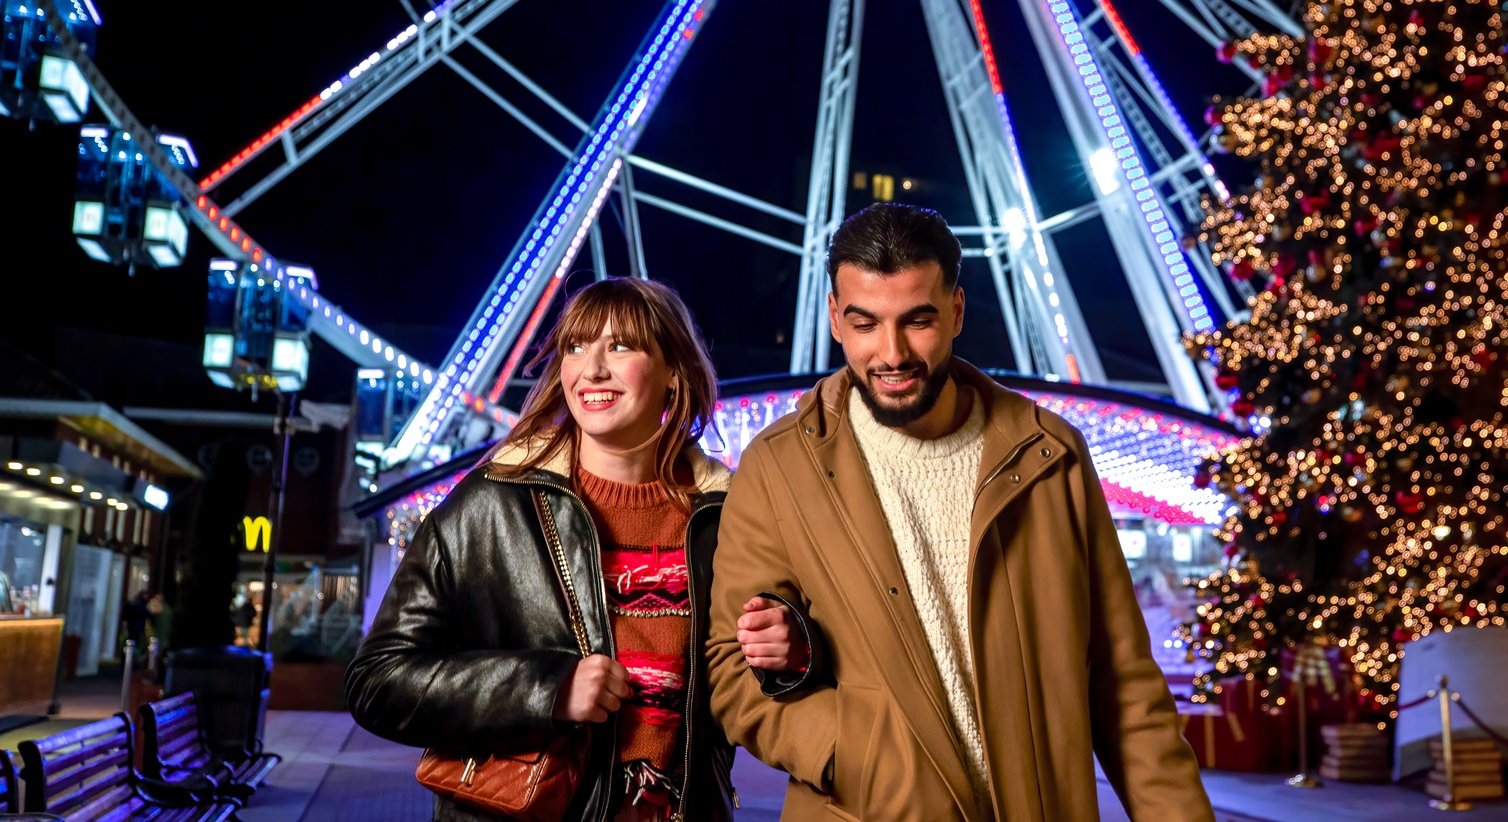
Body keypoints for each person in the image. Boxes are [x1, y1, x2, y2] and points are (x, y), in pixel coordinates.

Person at [706, 203, 1216, 820]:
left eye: (917, 321)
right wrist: (856, 755)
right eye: (865, 324)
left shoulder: (1051, 454)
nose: (891, 354)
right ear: (836, 320)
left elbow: (1125, 685)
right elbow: (732, 670)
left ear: (956, 312)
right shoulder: (779, 465)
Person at [347, 278, 804, 822]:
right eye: (576, 346)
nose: (592, 369)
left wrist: (792, 653)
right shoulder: (491, 506)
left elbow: (748, 686)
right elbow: (377, 681)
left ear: (674, 371)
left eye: (621, 346)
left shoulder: (726, 517)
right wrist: (548, 689)